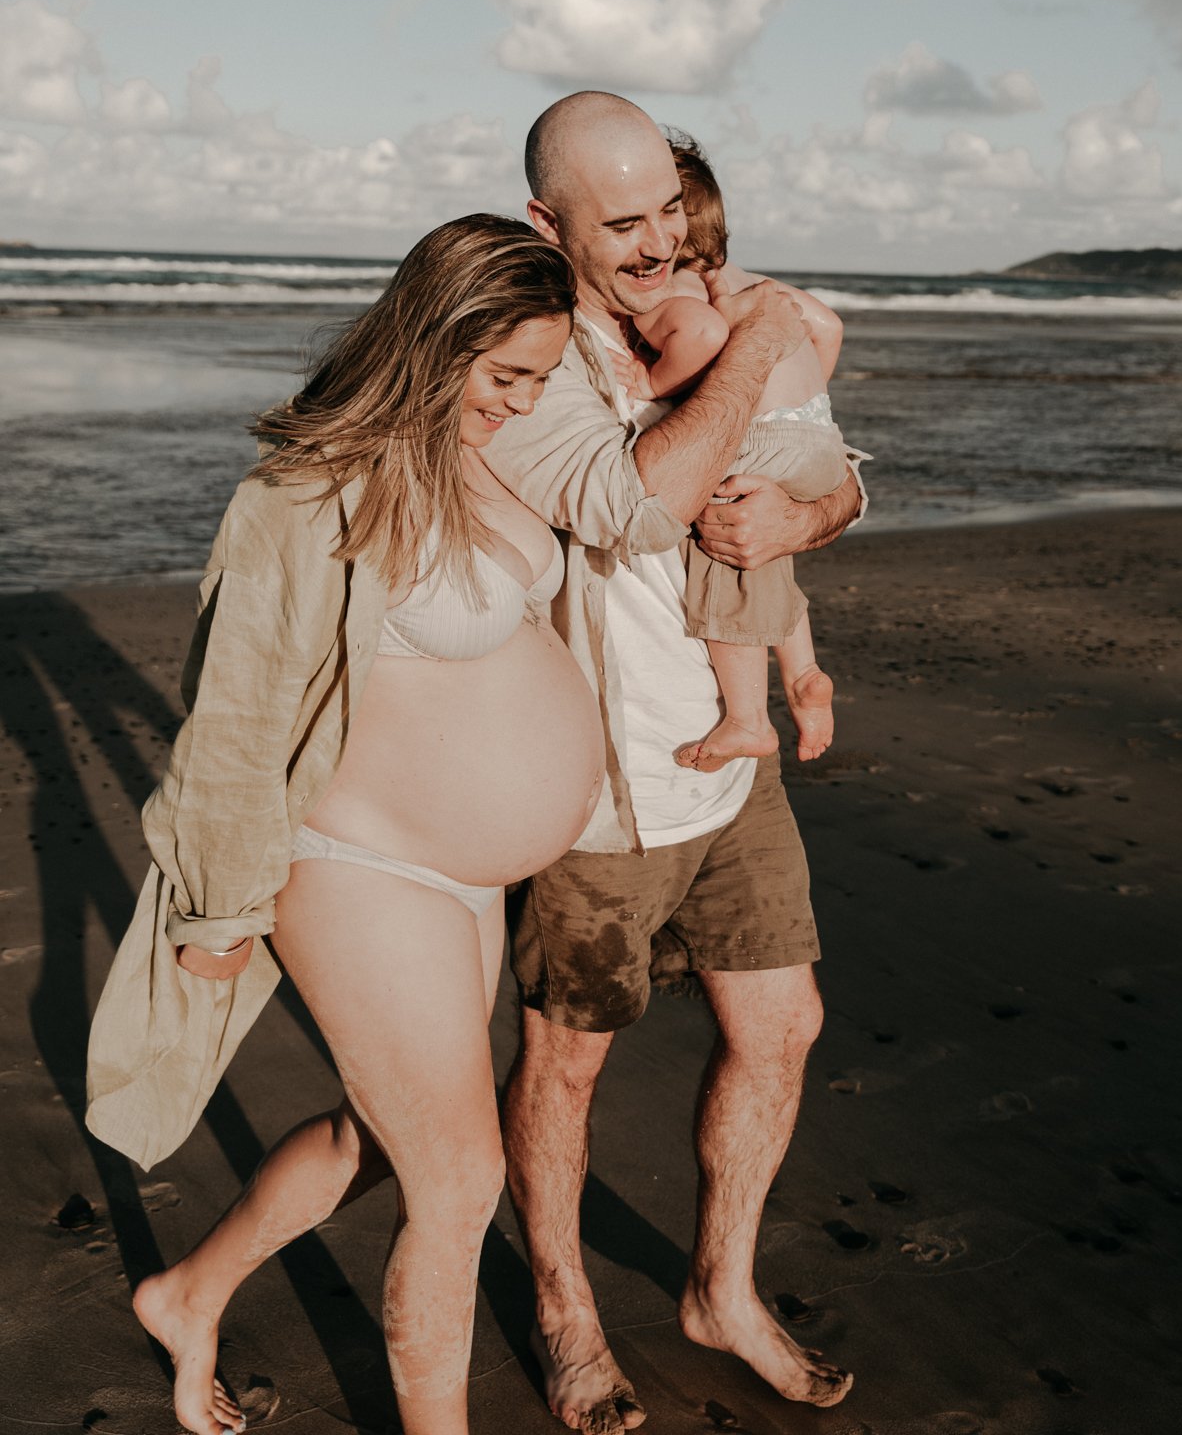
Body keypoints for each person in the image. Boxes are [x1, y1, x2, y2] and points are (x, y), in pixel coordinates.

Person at [85, 215, 604, 1435]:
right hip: (359, 859)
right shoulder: (306, 489)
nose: (525, 402)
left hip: (460, 876)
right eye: (508, 374)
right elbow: (234, 713)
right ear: (438, 339)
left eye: (542, 375)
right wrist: (216, 910)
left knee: (383, 1131)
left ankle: (188, 1288)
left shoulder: (484, 449)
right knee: (461, 1175)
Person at [487, 91, 866, 1431]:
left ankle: (720, 1291)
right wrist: (758, 334)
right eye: (619, 224)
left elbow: (826, 468)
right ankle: (564, 1315)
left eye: (665, 212)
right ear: (550, 225)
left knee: (784, 1030)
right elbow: (635, 500)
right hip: (597, 793)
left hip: (733, 775)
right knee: (565, 1066)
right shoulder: (522, 353)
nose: (654, 246)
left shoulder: (715, 301)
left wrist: (805, 515)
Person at [631, 131, 846, 772]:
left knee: (722, 539)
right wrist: (810, 409)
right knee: (765, 545)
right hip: (821, 435)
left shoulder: (682, 292)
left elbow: (697, 336)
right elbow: (830, 327)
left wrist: (648, 384)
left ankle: (750, 717)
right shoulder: (759, 285)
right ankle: (803, 671)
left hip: (771, 434)